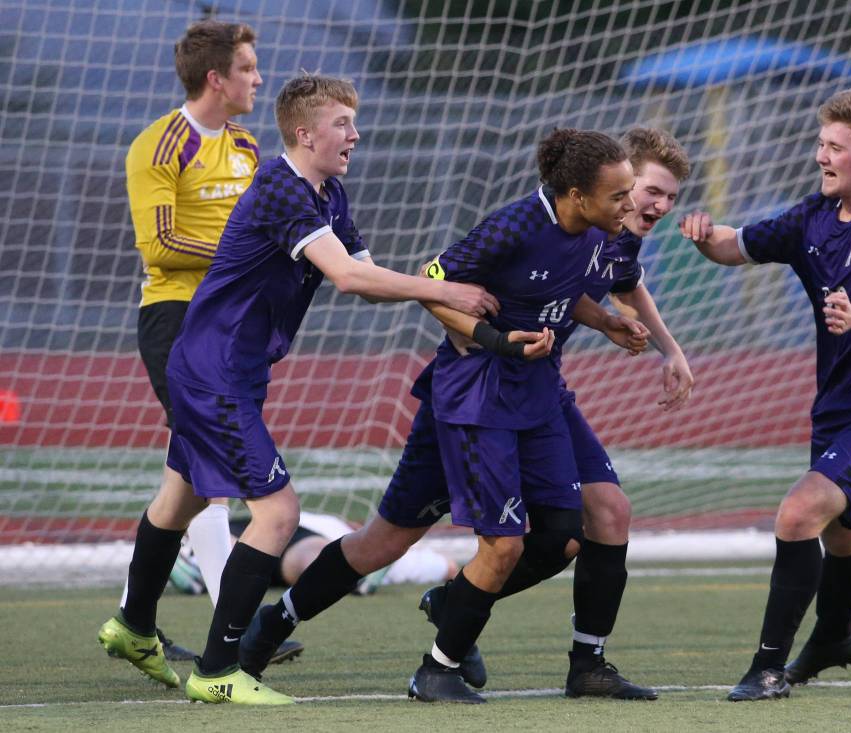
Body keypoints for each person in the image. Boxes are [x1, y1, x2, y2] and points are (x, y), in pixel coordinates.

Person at [97, 74, 497, 706]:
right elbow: (347, 279)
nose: (355, 135)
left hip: (227, 371)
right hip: (214, 373)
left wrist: (465, 321)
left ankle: (131, 624)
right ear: (304, 132)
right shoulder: (284, 191)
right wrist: (446, 290)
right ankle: (218, 670)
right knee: (279, 512)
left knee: (181, 502)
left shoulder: (327, 193)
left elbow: (367, 270)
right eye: (342, 124)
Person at [237, 129, 647, 704]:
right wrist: (495, 340)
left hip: (534, 396)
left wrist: (606, 323)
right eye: (620, 195)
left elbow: (558, 285)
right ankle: (422, 667)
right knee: (458, 545)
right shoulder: (513, 227)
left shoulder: (592, 231)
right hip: (476, 401)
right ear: (578, 196)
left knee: (563, 534)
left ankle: (451, 611)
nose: (630, 205)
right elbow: (433, 288)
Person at [680, 88, 851, 701]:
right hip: (836, 410)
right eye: (820, 144)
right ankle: (836, 639)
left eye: (835, 148)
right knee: (842, 535)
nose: (821, 156)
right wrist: (701, 233)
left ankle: (767, 668)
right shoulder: (811, 217)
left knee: (797, 514)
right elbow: (733, 246)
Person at [121, 19, 269, 662]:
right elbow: (160, 244)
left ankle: (132, 624)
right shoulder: (160, 144)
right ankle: (225, 632)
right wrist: (243, 258)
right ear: (217, 78)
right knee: (209, 470)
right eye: (247, 68)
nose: (258, 78)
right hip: (177, 321)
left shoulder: (247, 146)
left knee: (189, 479)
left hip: (233, 327)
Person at [169, 510, 458, 595]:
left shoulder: (337, 526)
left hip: (271, 527)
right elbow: (449, 568)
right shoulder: (398, 556)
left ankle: (190, 558)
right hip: (303, 542)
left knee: (226, 542)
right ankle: (353, 576)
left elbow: (447, 568)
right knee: (314, 561)